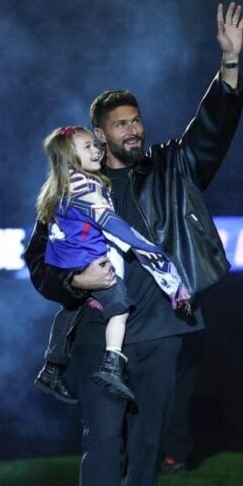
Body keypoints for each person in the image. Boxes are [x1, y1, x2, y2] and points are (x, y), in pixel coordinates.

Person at [24, 1, 243, 486]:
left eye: (137, 120)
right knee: (103, 450)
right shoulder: (70, 190)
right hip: (99, 337)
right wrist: (74, 283)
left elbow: (212, 132)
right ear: (99, 134)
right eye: (121, 124)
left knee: (146, 451)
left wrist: (228, 65)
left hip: (160, 336)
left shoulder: (170, 169)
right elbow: (38, 266)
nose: (134, 129)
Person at [33, 125, 191, 406]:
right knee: (119, 306)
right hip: (89, 262)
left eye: (95, 145)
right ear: (69, 157)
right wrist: (146, 246)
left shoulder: (61, 187)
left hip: (70, 264)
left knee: (71, 308)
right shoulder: (84, 186)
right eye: (88, 147)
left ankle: (52, 368)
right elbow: (110, 223)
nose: (96, 151)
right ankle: (112, 365)